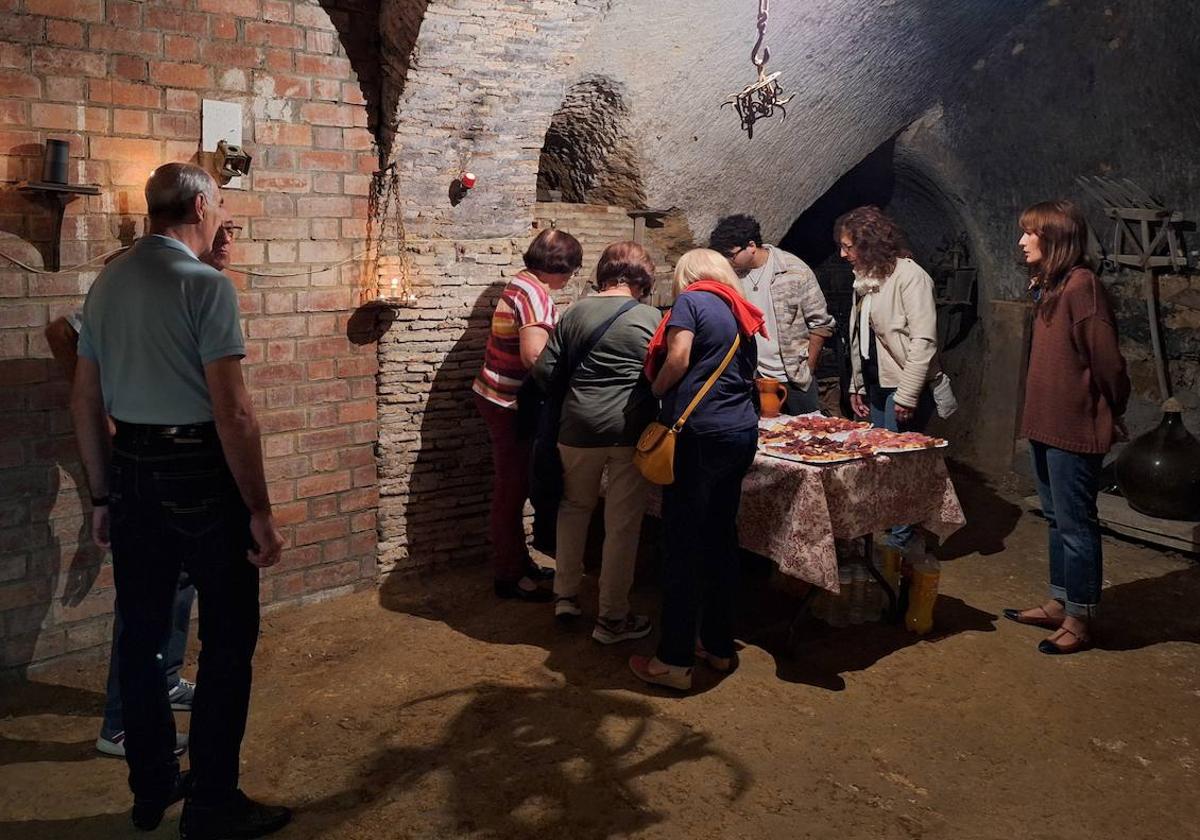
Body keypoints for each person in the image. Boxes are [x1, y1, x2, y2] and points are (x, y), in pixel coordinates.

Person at [72, 163, 289, 838]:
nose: (222, 215)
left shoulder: (108, 281)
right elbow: (234, 413)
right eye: (219, 203)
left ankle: (153, 784)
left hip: (131, 468)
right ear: (199, 205)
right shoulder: (205, 286)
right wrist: (259, 508)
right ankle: (213, 801)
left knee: (140, 637)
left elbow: (83, 399)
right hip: (198, 469)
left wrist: (102, 493)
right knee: (228, 638)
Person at [46, 220, 243, 759]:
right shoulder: (134, 279)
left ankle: (167, 681)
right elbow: (62, 330)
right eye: (218, 230)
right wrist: (104, 413)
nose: (224, 243)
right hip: (148, 460)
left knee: (174, 586)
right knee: (145, 603)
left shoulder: (194, 282)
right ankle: (120, 724)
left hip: (172, 463)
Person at [628, 248, 764, 691]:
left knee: (682, 546)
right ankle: (719, 647)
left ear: (688, 276)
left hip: (699, 434)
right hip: (740, 432)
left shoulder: (692, 301)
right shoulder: (738, 308)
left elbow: (679, 356)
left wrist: (655, 387)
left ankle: (674, 660)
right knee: (721, 540)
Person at [1004, 200, 1130, 655]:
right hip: (1046, 424)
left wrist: (1110, 411)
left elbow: (1108, 363)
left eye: (1030, 233)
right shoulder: (1052, 286)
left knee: (1077, 524)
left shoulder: (1083, 287)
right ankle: (1060, 601)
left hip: (1075, 426)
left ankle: (1080, 617)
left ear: (1055, 238)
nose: (1021, 241)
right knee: (1056, 518)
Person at [531, 241, 661, 643]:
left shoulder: (575, 312)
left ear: (605, 271)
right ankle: (611, 619)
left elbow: (544, 371)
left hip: (577, 428)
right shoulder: (650, 318)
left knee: (574, 508)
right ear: (641, 278)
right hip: (627, 430)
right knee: (621, 525)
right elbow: (661, 376)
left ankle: (566, 596)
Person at [472, 228, 582, 602]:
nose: (570, 280)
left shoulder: (521, 282)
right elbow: (534, 356)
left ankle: (519, 561)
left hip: (496, 394)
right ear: (561, 268)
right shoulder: (536, 294)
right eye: (571, 272)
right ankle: (508, 575)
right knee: (512, 487)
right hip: (509, 402)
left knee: (513, 485)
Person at [837, 205, 940, 550]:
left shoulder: (910, 277)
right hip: (877, 383)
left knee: (899, 466)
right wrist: (857, 385)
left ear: (868, 245)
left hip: (902, 384)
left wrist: (908, 395)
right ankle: (886, 532)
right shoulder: (867, 279)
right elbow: (859, 337)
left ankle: (902, 540)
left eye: (849, 246)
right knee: (877, 461)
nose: (843, 253)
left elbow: (923, 340)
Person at [709, 214, 835, 414]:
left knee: (805, 438)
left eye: (730, 255)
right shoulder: (729, 278)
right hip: (752, 377)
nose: (727, 261)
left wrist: (807, 368)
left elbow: (821, 325)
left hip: (795, 378)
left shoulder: (794, 271)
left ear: (751, 246)